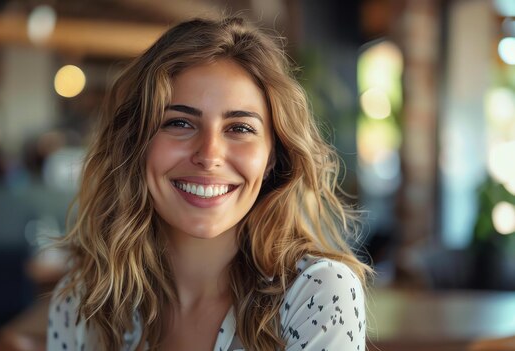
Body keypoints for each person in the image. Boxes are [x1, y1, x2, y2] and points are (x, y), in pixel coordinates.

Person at [47, 16, 371, 351]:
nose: (209, 154)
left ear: (273, 155)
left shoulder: (318, 292)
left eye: (239, 128)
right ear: (136, 143)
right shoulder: (80, 303)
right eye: (180, 122)